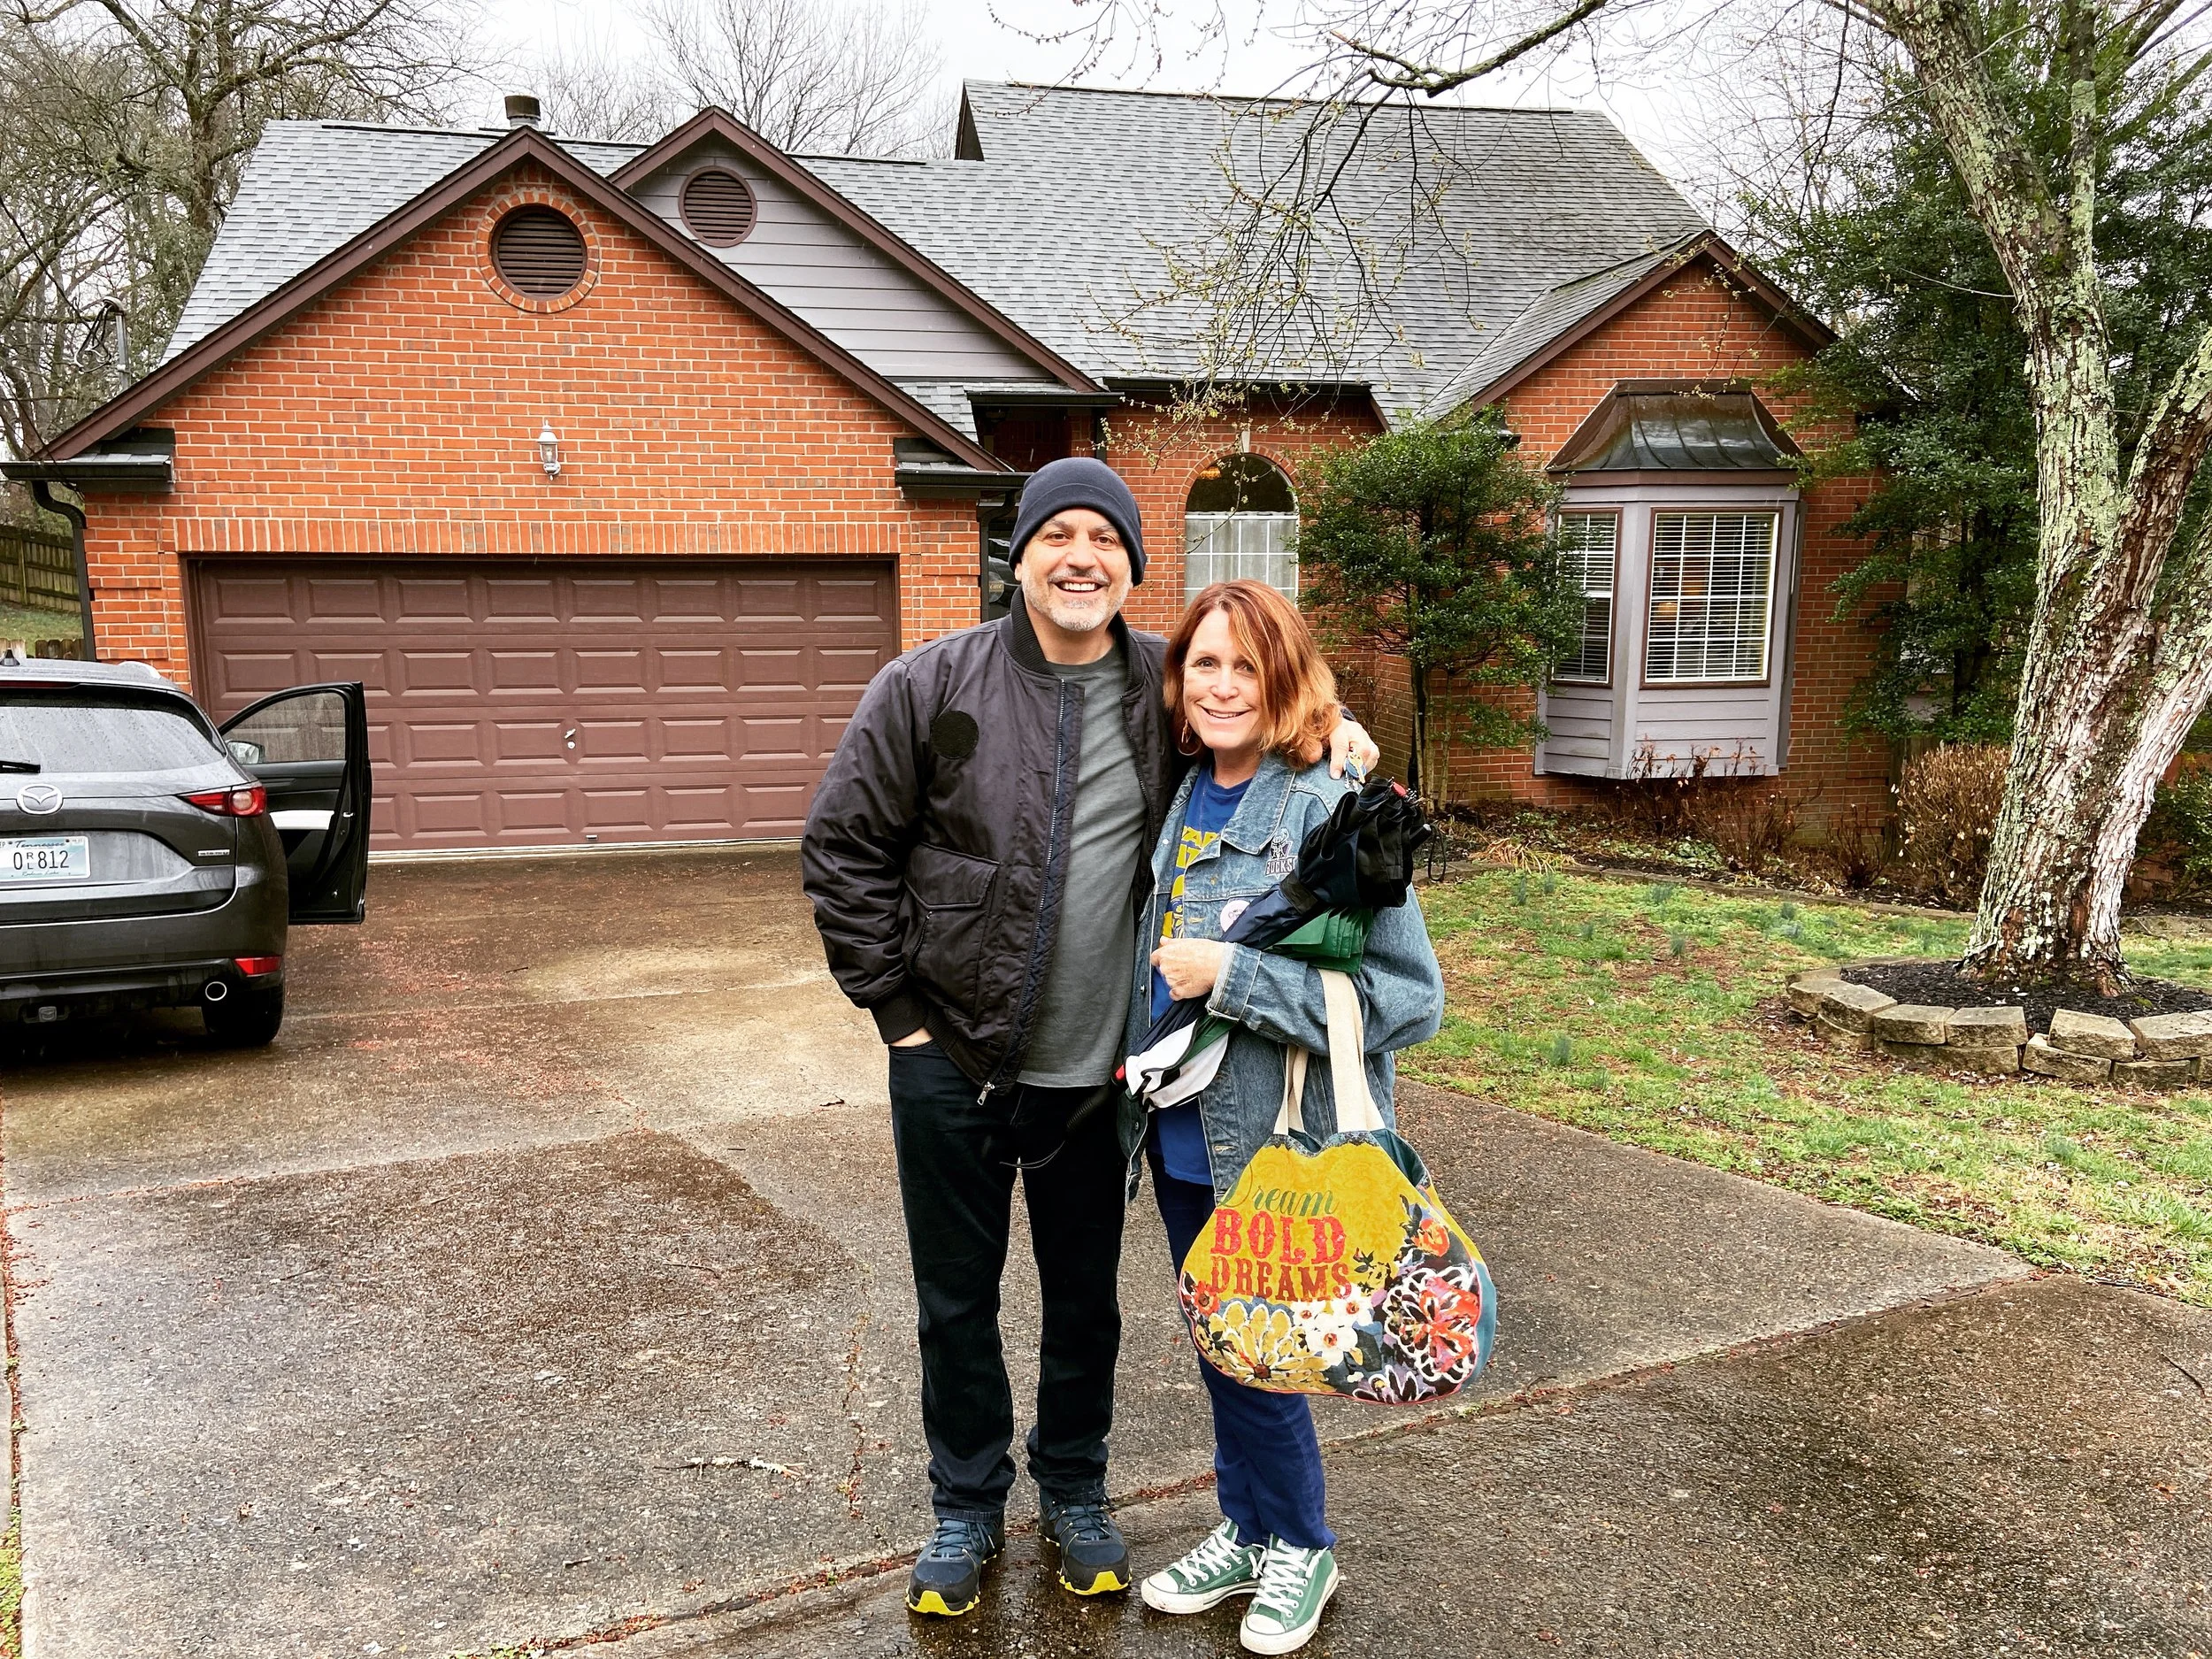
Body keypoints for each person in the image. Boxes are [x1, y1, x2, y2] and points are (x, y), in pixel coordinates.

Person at [800, 458, 1378, 1618]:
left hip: (1100, 1076)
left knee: (1084, 1302)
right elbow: (843, 850)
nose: (1080, 554)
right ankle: (965, 1505)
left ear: (1130, 563)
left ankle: (1075, 1490)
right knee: (954, 1302)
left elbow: (1255, 714)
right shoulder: (929, 684)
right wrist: (901, 1019)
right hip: (950, 1062)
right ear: (1018, 555)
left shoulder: (1160, 684)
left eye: (1103, 538)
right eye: (1055, 533)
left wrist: (1342, 738)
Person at [1125, 580, 1444, 1655]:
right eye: (1202, 665)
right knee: (1222, 1339)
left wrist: (1235, 976)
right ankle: (1249, 1526)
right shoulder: (1189, 789)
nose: (1221, 686)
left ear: (1284, 679)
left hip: (1272, 1141)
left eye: (1244, 667)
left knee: (1265, 1346)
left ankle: (1302, 1544)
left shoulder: (1319, 808)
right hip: (1177, 1134)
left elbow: (1411, 1001)